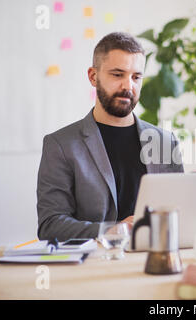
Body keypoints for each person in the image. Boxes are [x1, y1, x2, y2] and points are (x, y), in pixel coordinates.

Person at [37, 32, 184, 241]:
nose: (128, 86)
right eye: (117, 74)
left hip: (154, 262)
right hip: (94, 266)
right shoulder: (61, 145)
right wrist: (111, 231)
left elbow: (182, 213)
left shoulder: (165, 142)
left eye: (136, 77)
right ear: (93, 76)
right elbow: (50, 225)